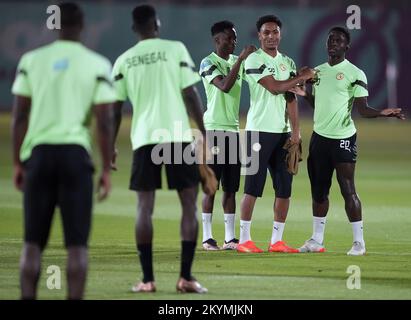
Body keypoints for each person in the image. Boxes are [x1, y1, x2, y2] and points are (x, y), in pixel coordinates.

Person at [11, 2, 115, 299]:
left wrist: (18, 163)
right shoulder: (97, 63)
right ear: (82, 26)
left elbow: (19, 116)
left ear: (54, 26)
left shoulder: (31, 61)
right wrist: (106, 168)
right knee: (77, 247)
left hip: (39, 156)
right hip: (75, 158)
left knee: (32, 243)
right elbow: (105, 122)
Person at [111, 4, 216, 293]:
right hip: (178, 137)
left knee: (144, 207)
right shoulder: (175, 49)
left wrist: (110, 148)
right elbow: (190, 94)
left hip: (145, 139)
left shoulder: (123, 61)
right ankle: (185, 278)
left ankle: (147, 280)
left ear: (134, 28)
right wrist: (204, 135)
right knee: (188, 205)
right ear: (157, 24)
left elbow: (115, 110)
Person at [291, 26, 406, 255]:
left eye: (339, 40)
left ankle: (359, 243)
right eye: (330, 39)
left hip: (343, 138)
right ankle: (316, 240)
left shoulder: (355, 73)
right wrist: (306, 95)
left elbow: (362, 110)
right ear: (326, 45)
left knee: (347, 189)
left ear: (347, 46)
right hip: (319, 138)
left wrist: (382, 113)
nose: (333, 42)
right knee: (319, 191)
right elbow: (320, 104)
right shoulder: (317, 73)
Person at [237, 15, 315, 253]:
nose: (271, 36)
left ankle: (277, 241)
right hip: (257, 132)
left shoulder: (288, 62)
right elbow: (274, 88)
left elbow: (291, 98)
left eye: (275, 32)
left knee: (284, 188)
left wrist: (296, 132)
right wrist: (302, 77)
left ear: (281, 34)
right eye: (266, 32)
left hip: (282, 134)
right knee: (252, 187)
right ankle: (244, 240)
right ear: (259, 35)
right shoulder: (253, 59)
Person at [199, 20, 256, 251]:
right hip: (213, 130)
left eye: (235, 37)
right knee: (211, 186)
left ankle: (230, 238)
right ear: (217, 40)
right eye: (229, 38)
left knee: (231, 188)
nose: (234, 42)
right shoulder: (207, 62)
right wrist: (241, 59)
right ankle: (207, 237)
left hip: (232, 130)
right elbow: (224, 86)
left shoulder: (236, 62)